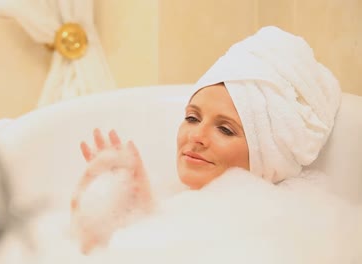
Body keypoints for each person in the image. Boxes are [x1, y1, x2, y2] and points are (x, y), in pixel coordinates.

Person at [69, 26, 343, 254]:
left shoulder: (266, 239)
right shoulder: (185, 214)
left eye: (225, 129)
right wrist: (115, 225)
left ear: (269, 157)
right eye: (192, 117)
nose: (196, 136)